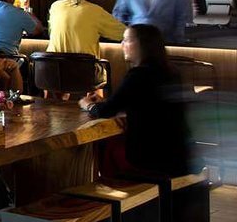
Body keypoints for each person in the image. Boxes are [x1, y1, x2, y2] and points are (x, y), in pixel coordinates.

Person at [80, 24, 194, 178]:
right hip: (181, 156)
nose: (122, 44)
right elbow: (147, 104)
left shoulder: (138, 75)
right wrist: (108, 103)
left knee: (106, 145)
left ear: (143, 45)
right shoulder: (172, 72)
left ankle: (110, 188)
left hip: (151, 159)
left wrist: (88, 105)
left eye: (127, 40)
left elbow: (106, 111)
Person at [47, 0, 125, 55]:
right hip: (85, 63)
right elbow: (123, 33)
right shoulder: (95, 11)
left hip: (52, 62)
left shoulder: (55, 7)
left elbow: (50, 31)